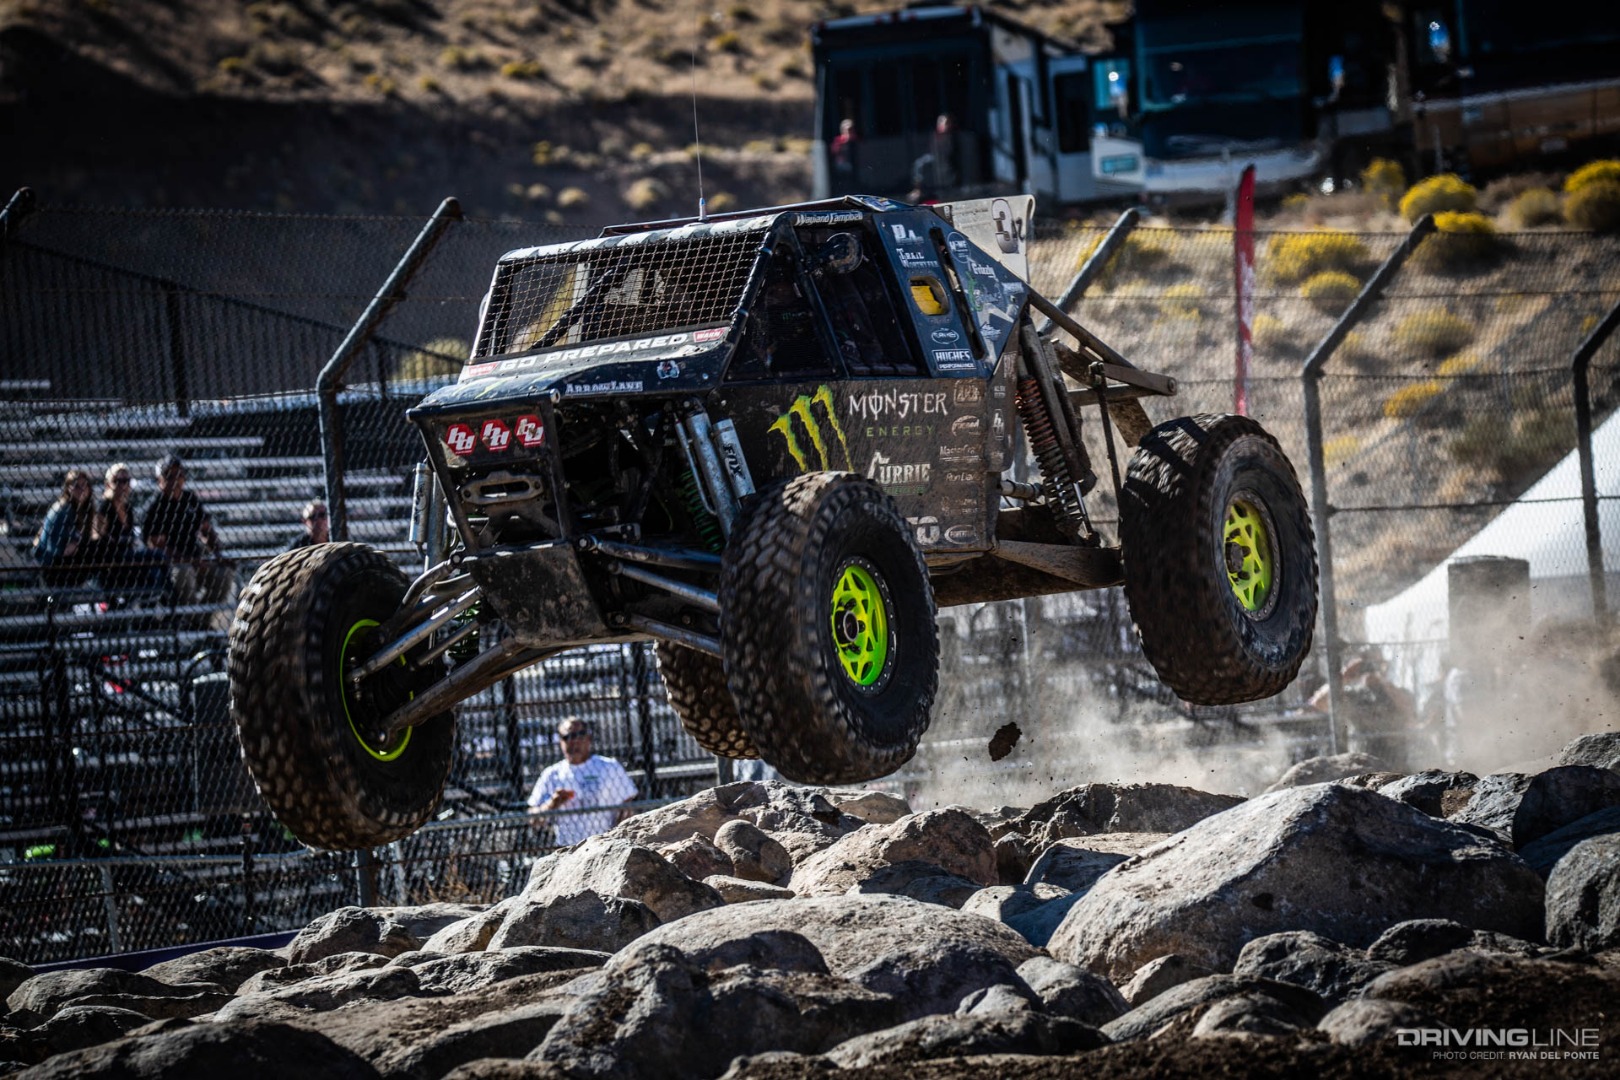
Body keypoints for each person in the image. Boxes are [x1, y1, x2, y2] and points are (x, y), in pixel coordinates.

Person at [527, 718, 638, 848]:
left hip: (605, 845)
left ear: (588, 737)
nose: (573, 741)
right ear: (560, 742)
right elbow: (533, 818)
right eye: (566, 737)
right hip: (568, 849)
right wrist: (552, 804)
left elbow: (627, 808)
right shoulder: (552, 774)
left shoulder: (609, 767)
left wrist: (617, 839)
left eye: (578, 735)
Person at [142, 453, 235, 607]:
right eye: (168, 475)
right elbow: (158, 547)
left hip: (196, 559)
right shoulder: (155, 507)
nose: (175, 480)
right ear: (160, 481)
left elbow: (206, 529)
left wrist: (218, 553)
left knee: (224, 574)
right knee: (184, 573)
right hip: (171, 566)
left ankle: (201, 622)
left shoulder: (189, 499)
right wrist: (192, 562)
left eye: (179, 475)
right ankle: (190, 620)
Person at [92, 462, 167, 597]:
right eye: (117, 481)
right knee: (157, 558)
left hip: (129, 556)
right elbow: (100, 540)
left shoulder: (127, 508)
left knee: (157, 567)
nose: (122, 485)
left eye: (126, 481)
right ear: (107, 484)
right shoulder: (105, 507)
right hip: (114, 560)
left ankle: (159, 604)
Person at [32, 469, 98, 589]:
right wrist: (78, 543)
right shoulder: (64, 510)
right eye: (77, 486)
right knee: (95, 547)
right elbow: (61, 550)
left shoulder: (83, 510)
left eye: (85, 486)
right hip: (53, 567)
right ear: (68, 488)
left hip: (65, 564)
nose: (82, 490)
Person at [908, 113, 960, 202]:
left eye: (944, 122)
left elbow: (949, 152)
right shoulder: (934, 135)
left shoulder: (952, 136)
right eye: (939, 122)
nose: (941, 124)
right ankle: (918, 190)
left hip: (945, 165)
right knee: (919, 164)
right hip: (934, 161)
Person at [829, 117, 859, 185]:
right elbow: (834, 152)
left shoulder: (857, 139)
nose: (849, 132)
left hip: (858, 166)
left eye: (851, 129)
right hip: (843, 165)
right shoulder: (838, 141)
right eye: (847, 130)